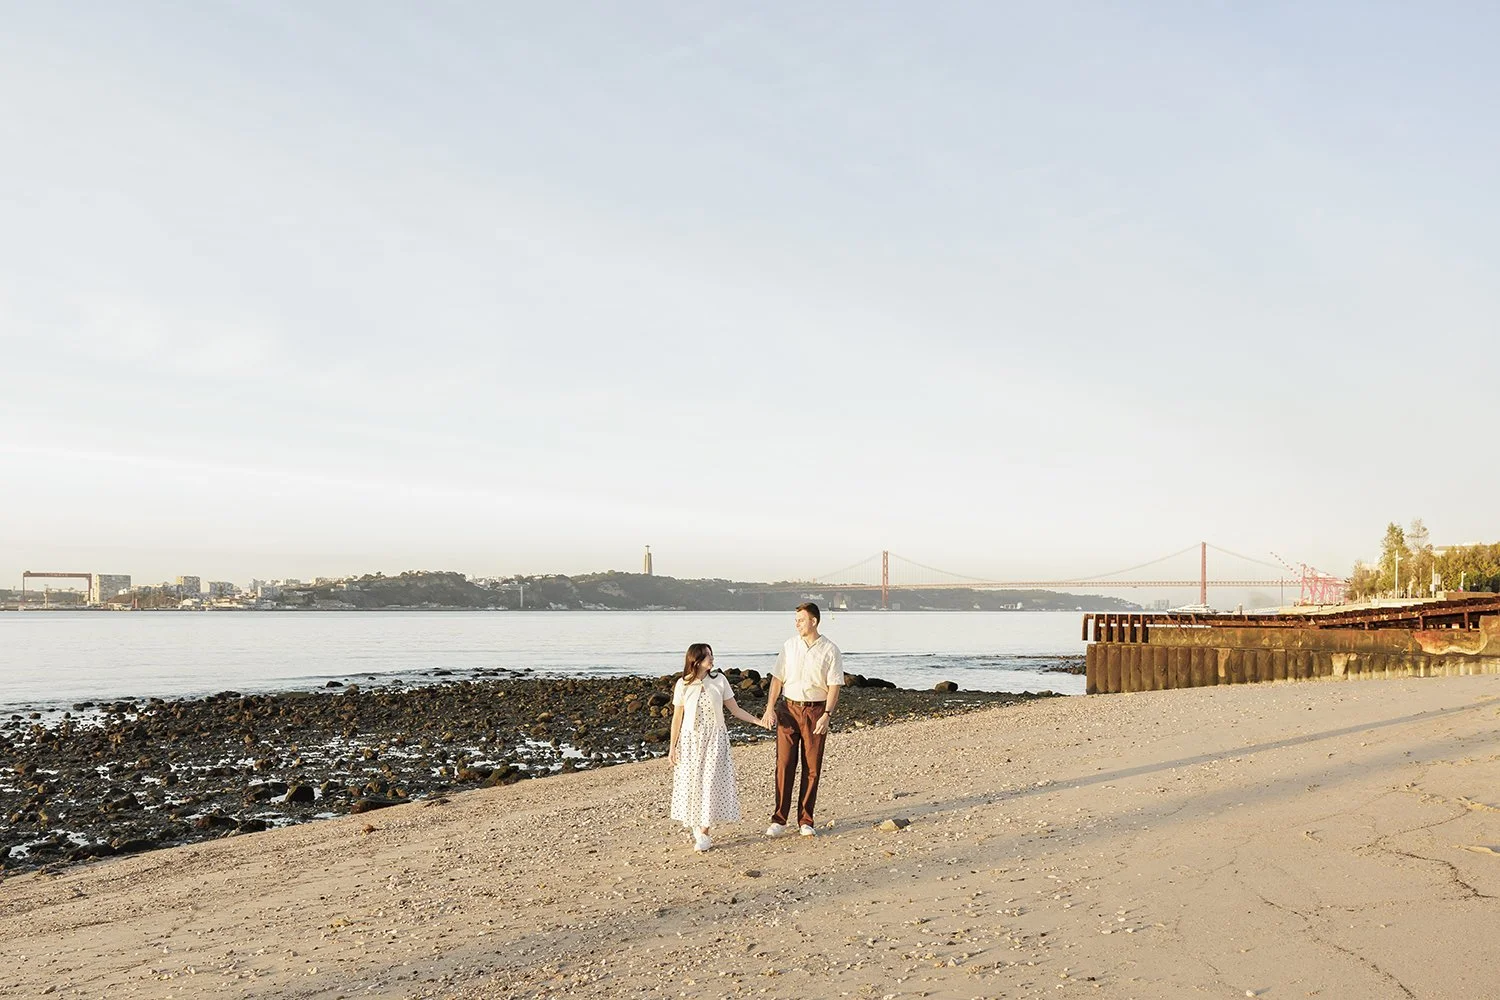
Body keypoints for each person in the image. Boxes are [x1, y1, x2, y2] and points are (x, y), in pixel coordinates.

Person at [667, 642, 770, 852]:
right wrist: (672, 747)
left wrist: (759, 722)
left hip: (715, 738)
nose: (712, 659)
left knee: (711, 782)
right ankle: (696, 824)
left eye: (711, 655)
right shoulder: (683, 684)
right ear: (695, 660)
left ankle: (704, 832)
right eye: (707, 656)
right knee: (692, 782)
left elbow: (735, 710)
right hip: (690, 740)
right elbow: (677, 718)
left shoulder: (719, 680)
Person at [760, 602, 843, 837]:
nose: (797, 624)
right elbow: (777, 679)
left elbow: (834, 685)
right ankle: (779, 819)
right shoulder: (789, 646)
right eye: (795, 620)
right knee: (784, 764)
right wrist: (770, 708)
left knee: (812, 767)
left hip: (816, 711)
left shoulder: (830, 649)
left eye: (801, 620)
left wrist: (827, 715)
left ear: (813, 621)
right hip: (788, 709)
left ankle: (806, 820)